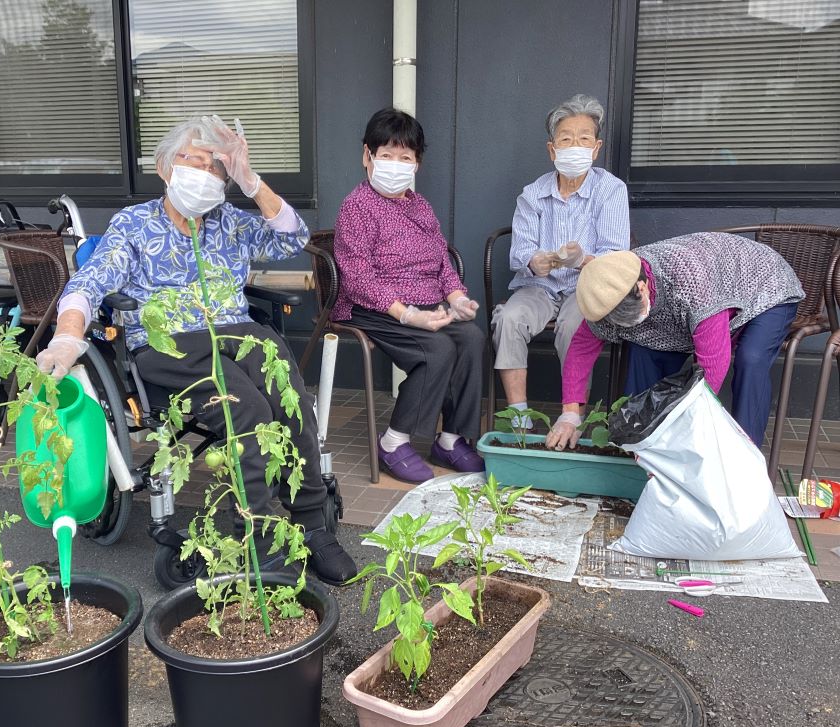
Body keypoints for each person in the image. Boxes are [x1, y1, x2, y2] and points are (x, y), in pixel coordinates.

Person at [35, 115, 356, 586]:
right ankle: (262, 540)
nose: (204, 175)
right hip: (169, 344)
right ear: (166, 167)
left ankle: (310, 523)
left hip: (238, 332)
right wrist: (67, 335)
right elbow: (91, 281)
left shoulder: (229, 222)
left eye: (216, 168)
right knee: (244, 408)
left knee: (289, 397)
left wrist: (249, 178)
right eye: (193, 161)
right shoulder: (134, 224)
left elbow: (292, 238)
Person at [333, 108, 486, 483]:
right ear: (367, 156)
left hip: (425, 303)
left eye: (406, 157)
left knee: (471, 337)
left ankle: (450, 438)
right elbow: (356, 278)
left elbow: (440, 259)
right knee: (437, 349)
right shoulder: (357, 207)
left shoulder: (420, 206)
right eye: (386, 155)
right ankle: (393, 441)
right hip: (372, 307)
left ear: (417, 164)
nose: (395, 165)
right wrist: (407, 315)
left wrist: (455, 297)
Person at [546, 232, 804, 450]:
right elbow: (580, 350)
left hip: (764, 286)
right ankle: (638, 446)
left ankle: (745, 454)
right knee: (644, 347)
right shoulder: (605, 294)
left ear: (642, 287)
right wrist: (570, 414)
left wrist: (688, 428)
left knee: (752, 358)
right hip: (696, 306)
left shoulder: (691, 283)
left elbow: (712, 367)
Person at [491, 94, 629, 426]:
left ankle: (572, 416)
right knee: (509, 318)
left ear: (596, 148)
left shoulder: (611, 190)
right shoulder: (532, 194)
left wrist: (584, 259)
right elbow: (520, 253)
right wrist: (535, 262)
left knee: (575, 326)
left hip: (586, 286)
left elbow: (616, 255)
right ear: (552, 149)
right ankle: (519, 418)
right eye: (566, 139)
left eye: (583, 139)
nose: (574, 146)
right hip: (538, 286)